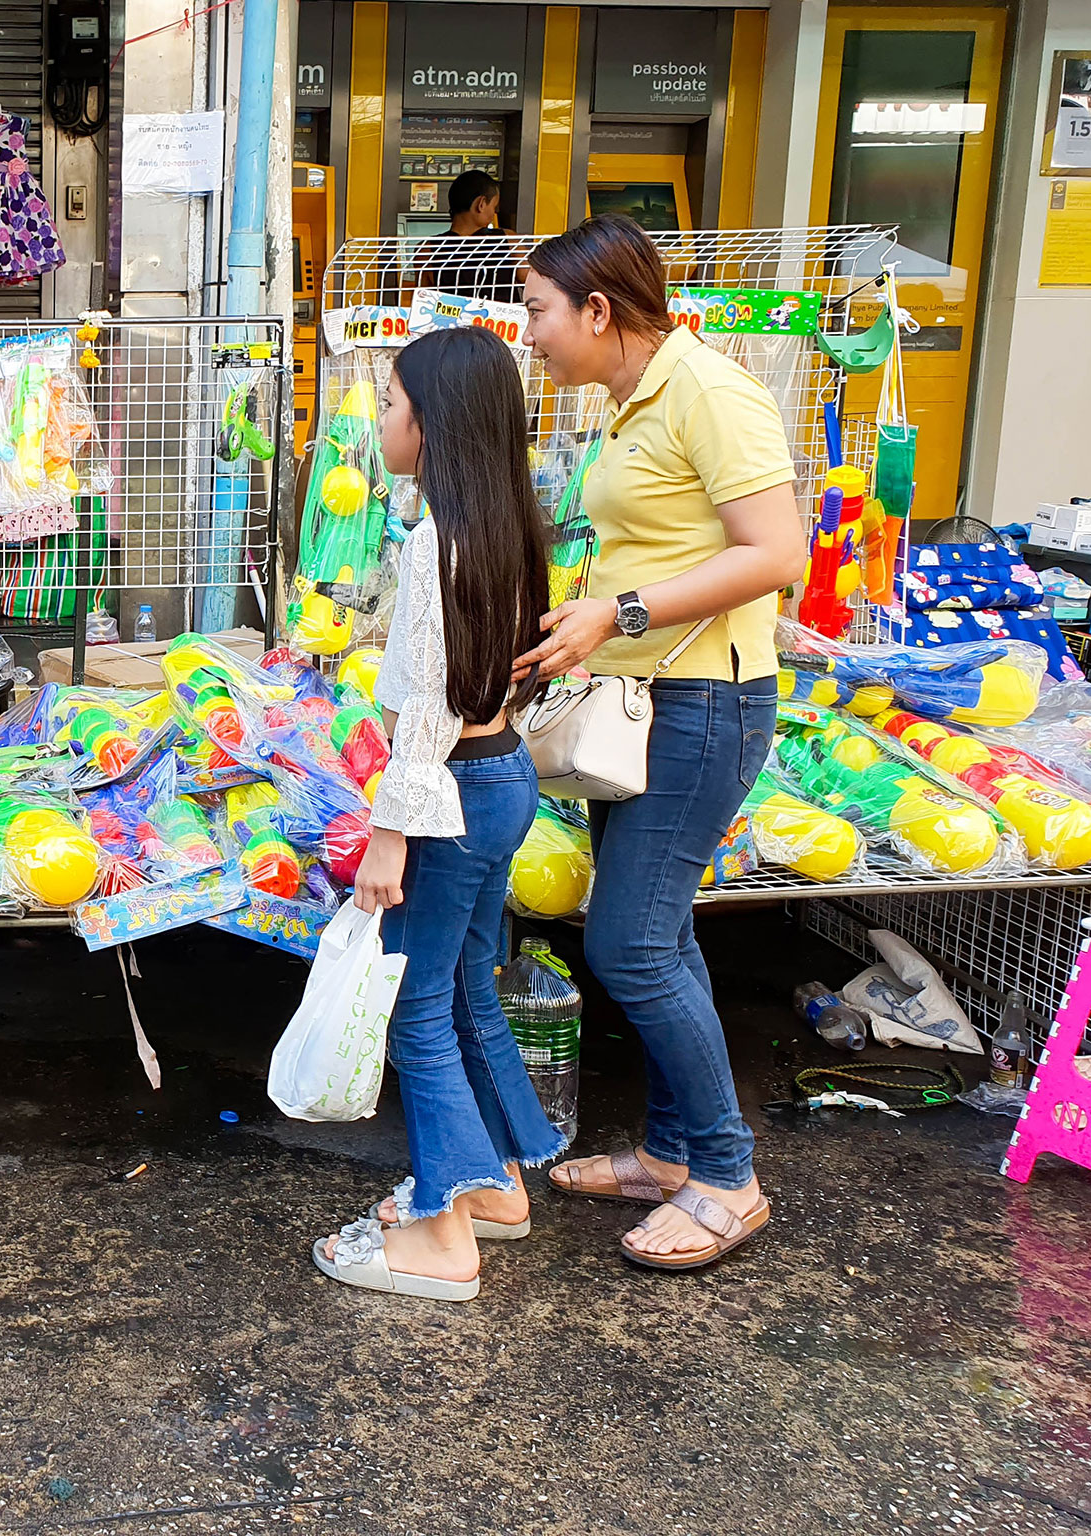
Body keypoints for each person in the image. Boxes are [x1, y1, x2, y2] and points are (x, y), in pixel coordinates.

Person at [513, 214, 807, 1271]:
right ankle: (672, 1153)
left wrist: (618, 615)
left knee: (628, 943)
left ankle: (727, 1178)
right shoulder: (625, 403)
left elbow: (777, 553)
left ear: (598, 309)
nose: (528, 332)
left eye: (539, 310)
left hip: (702, 705)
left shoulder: (709, 391)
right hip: (636, 711)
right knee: (660, 934)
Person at [312, 325, 563, 1305]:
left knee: (415, 1009)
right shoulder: (503, 525)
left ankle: (438, 1232)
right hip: (498, 777)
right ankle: (491, 1182)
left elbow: (430, 705)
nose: (378, 421)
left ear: (433, 424)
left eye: (388, 404)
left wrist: (387, 831)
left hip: (449, 788)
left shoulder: (432, 542)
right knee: (461, 985)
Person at [412, 170, 519, 304]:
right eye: (494, 207)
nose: (494, 213)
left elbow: (422, 303)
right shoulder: (509, 240)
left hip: (450, 324)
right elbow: (533, 281)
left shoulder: (427, 250)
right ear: (481, 204)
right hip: (501, 324)